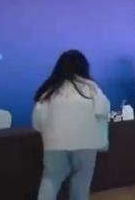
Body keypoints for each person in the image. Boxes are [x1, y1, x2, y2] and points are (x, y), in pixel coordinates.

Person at [33, 50, 110, 200]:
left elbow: (38, 122)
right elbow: (104, 110)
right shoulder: (91, 88)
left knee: (51, 179)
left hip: (55, 145)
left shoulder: (49, 91)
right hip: (86, 144)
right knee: (81, 182)